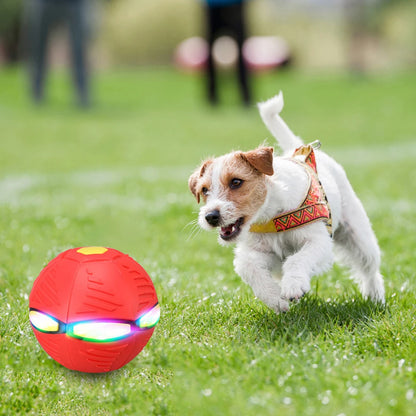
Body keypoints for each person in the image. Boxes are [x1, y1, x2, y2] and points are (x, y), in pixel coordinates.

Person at [24, 0, 90, 107]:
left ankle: (82, 96)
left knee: (78, 48)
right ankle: (36, 94)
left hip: (74, 3)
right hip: (44, 3)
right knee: (38, 46)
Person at [203, 0, 251, 106]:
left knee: (241, 49)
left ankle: (246, 96)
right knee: (210, 50)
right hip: (214, 4)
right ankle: (212, 96)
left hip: (234, 3)